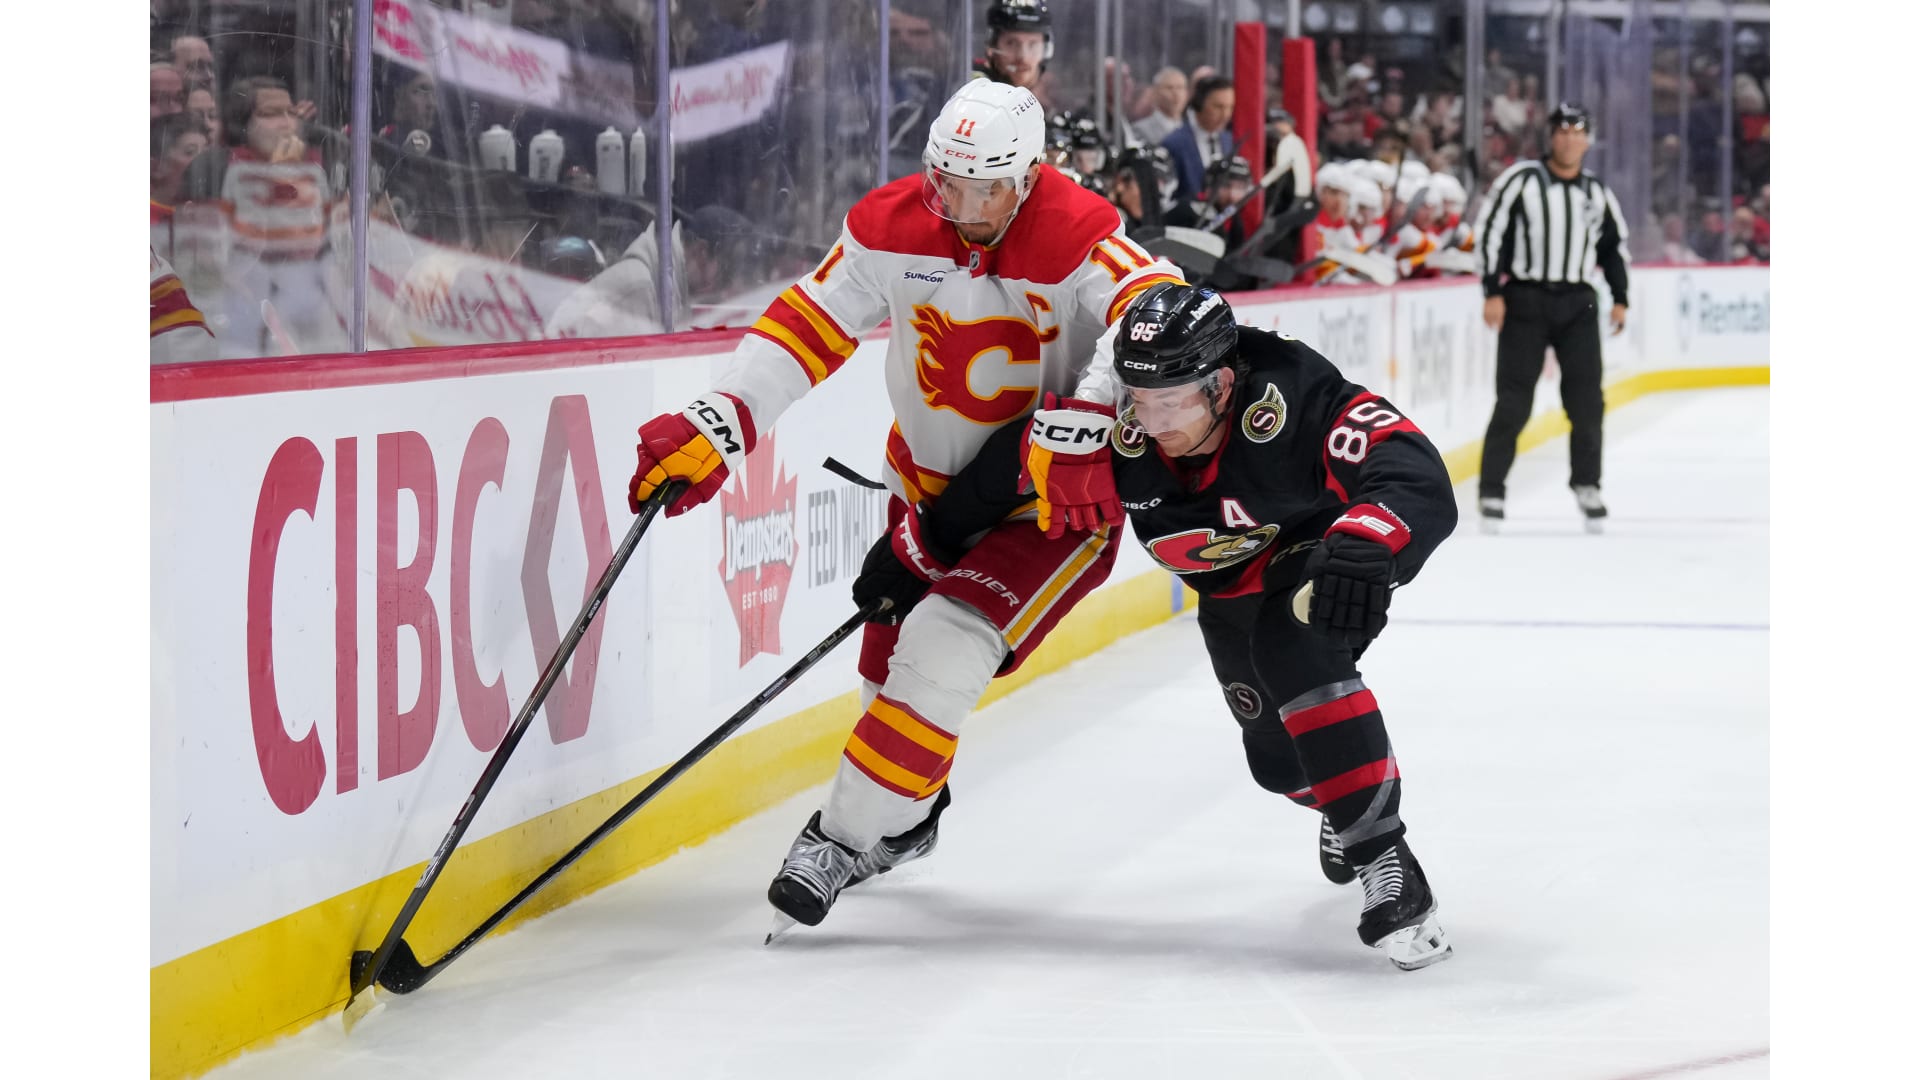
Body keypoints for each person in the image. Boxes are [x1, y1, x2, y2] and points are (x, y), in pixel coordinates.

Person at [624, 80, 1182, 932]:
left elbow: (1158, 304)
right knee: (885, 677)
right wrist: (725, 417)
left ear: (1024, 179)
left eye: (975, 188)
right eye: (941, 178)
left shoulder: (1077, 230)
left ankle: (837, 841)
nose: (950, 201)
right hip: (925, 492)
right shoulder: (891, 224)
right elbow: (807, 323)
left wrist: (1093, 409)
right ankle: (906, 822)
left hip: (1046, 508)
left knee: (942, 650)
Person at [1096, 282, 1457, 970]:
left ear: (1223, 385)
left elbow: (1412, 468)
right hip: (1228, 592)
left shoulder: (1293, 395)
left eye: (1174, 400)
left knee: (1291, 647)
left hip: (1315, 558)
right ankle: (1340, 802)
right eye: (1141, 398)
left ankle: (1388, 866)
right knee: (1276, 763)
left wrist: (1371, 537)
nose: (1155, 420)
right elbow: (1003, 479)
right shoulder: (1118, 429)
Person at [1474, 103, 1630, 530]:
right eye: (1562, 131)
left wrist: (1620, 296)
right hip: (1526, 298)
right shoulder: (1522, 180)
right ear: (1551, 137)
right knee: (1514, 401)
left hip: (1578, 302)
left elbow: (1613, 247)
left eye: (1578, 132)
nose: (1570, 139)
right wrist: (1492, 290)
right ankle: (1491, 489)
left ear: (1588, 140)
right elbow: (1490, 233)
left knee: (1587, 401)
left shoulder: (1595, 192)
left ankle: (1587, 483)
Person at [1162, 75, 1237, 203]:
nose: (1226, 115)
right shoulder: (1174, 144)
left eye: (1230, 107)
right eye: (1218, 107)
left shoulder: (1229, 141)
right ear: (1199, 103)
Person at [971, 0, 1051, 105]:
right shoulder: (972, 90)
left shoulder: (1047, 97)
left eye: (1033, 44)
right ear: (992, 45)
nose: (1023, 57)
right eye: (1011, 43)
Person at [1133, 66, 1189, 146]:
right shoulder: (1141, 130)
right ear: (1155, 93)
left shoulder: (1193, 129)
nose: (1176, 93)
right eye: (1169, 88)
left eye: (1180, 87)